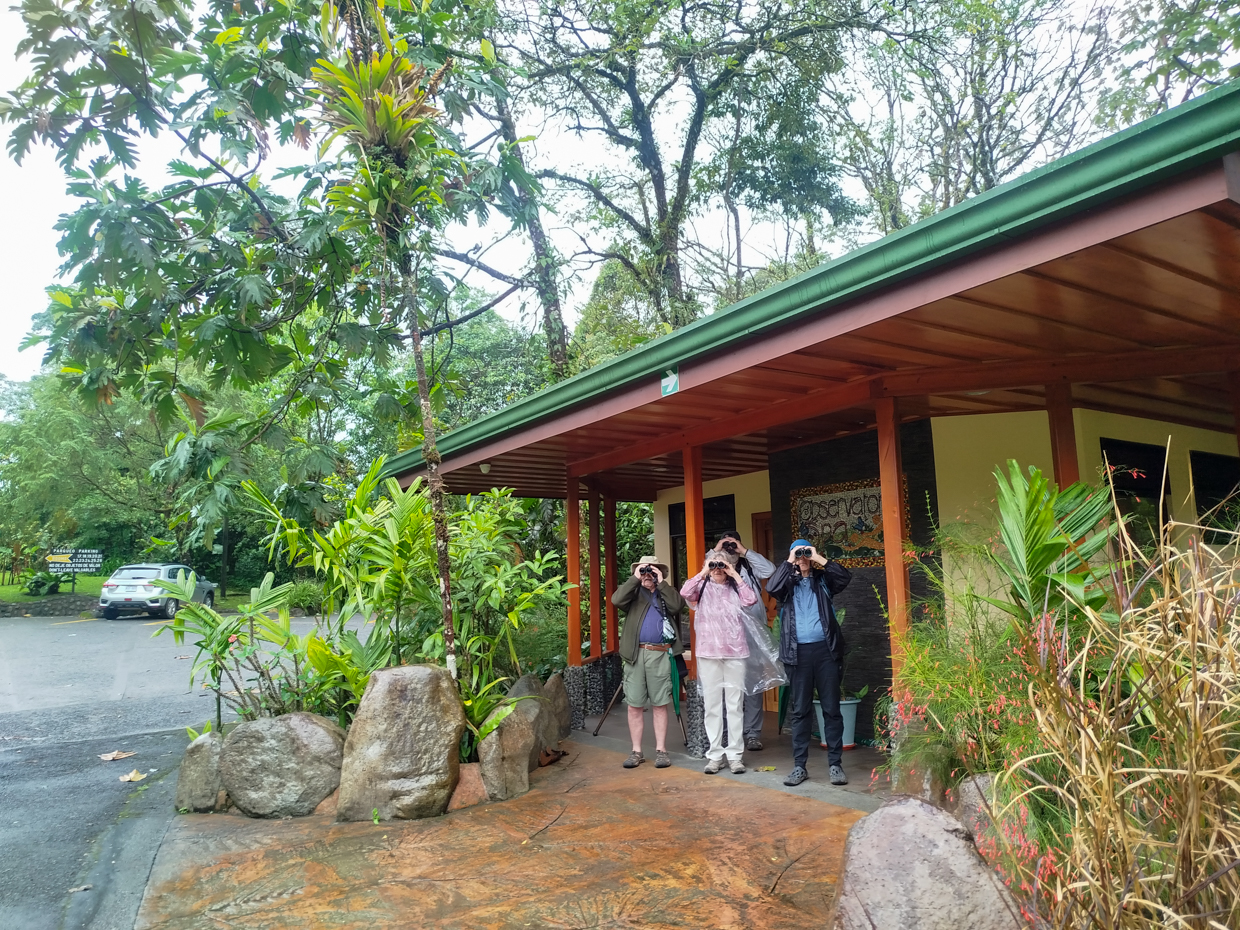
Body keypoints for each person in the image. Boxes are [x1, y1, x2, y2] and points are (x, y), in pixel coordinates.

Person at [765, 539, 852, 787]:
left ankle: (835, 765)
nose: (803, 557)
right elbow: (772, 587)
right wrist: (790, 561)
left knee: (831, 710)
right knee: (800, 710)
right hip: (797, 654)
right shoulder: (787, 586)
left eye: (806, 553)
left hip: (825, 652)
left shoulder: (823, 580)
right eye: (798, 553)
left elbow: (844, 578)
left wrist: (818, 558)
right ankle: (799, 766)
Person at [681, 552, 758, 774]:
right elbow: (685, 592)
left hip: (735, 653)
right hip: (708, 653)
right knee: (712, 706)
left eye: (721, 565)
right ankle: (715, 755)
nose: (717, 569)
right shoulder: (701, 588)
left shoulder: (735, 586)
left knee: (734, 705)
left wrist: (733, 572)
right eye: (713, 564)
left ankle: (735, 755)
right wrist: (704, 571)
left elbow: (751, 599)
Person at [612, 556, 687, 769]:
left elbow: (677, 606)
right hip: (635, 655)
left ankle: (661, 751)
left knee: (660, 704)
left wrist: (660, 582)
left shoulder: (666, 592)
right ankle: (636, 751)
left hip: (661, 654)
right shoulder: (632, 592)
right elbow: (616, 601)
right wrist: (635, 578)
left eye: (651, 571)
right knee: (634, 705)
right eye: (643, 571)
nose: (647, 575)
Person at [715, 530, 777, 751]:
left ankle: (752, 733)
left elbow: (770, 570)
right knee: (725, 686)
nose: (729, 550)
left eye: (732, 545)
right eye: (726, 545)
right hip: (724, 638)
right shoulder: (715, 568)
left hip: (752, 635)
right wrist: (716, 552)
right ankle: (726, 732)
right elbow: (700, 579)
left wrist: (744, 551)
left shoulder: (748, 565)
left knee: (753, 684)